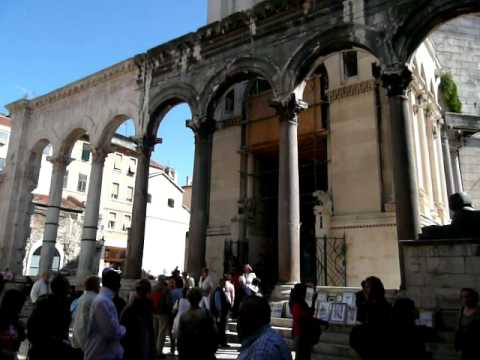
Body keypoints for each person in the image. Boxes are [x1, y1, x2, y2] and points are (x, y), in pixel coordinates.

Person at [27, 274, 73, 360]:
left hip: (41, 348)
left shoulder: (44, 301)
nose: (69, 290)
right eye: (68, 287)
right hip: (51, 349)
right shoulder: (62, 304)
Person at [84, 269, 126, 360]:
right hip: (100, 354)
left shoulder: (103, 300)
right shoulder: (102, 302)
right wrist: (123, 329)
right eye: (119, 282)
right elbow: (110, 332)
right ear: (115, 284)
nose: (120, 285)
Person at [350, 276, 392, 360]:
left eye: (368, 287)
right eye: (365, 287)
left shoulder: (383, 305)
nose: (365, 290)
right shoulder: (365, 301)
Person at [237, 295, 292, 360]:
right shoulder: (261, 341)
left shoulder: (263, 350)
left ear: (255, 318)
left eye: (242, 315)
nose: (238, 321)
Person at [177, 288, 218, 360]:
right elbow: (214, 332)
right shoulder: (207, 314)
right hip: (205, 351)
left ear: (188, 299)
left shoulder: (184, 316)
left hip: (189, 352)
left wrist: (181, 353)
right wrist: (213, 348)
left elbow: (180, 337)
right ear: (200, 298)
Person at [120, 279, 155, 360]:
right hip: (139, 349)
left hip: (132, 350)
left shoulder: (129, 309)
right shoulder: (146, 308)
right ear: (148, 292)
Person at [291, 283, 326, 360]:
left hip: (302, 334)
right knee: (302, 356)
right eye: (305, 291)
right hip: (301, 334)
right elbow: (307, 317)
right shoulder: (298, 303)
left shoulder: (299, 302)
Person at [72, 276, 100, 352]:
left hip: (77, 340)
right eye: (99, 285)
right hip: (86, 342)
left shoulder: (82, 298)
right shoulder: (95, 299)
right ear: (95, 286)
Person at [0, 289, 26, 359]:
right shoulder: (7, 320)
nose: (22, 308)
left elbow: (20, 338)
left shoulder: (15, 321)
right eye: (21, 304)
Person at [455, 288, 480, 360]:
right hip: (463, 345)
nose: (464, 299)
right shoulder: (461, 310)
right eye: (462, 297)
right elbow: (458, 329)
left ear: (473, 297)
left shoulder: (478, 311)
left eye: (466, 296)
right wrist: (458, 347)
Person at [151, 276, 172, 359]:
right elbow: (168, 302)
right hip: (163, 313)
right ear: (163, 280)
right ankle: (159, 352)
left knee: (155, 331)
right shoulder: (166, 289)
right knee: (161, 332)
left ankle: (153, 350)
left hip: (154, 312)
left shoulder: (153, 288)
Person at [210, 279, 230, 347]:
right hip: (219, 314)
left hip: (221, 314)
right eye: (223, 283)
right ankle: (220, 343)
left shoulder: (220, 291)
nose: (224, 284)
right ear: (220, 283)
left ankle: (222, 342)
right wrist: (220, 313)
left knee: (221, 328)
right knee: (220, 328)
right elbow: (218, 304)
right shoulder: (218, 292)